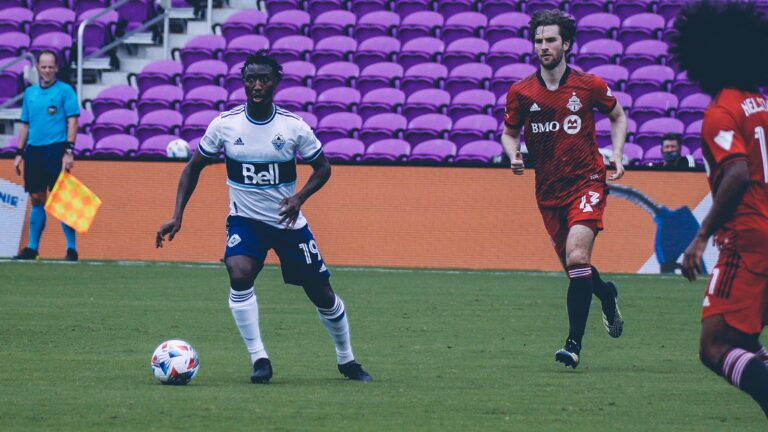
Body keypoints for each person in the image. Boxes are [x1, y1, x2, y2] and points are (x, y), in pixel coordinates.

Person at [155, 51, 372, 383]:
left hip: (287, 224)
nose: (257, 85)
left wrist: (299, 197)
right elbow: (193, 167)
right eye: (251, 78)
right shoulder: (225, 126)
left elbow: (323, 168)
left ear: (276, 82)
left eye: (264, 78)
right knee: (238, 272)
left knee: (322, 294)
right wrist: (177, 215)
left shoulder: (293, 126)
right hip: (246, 221)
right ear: (243, 82)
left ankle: (347, 360)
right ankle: (260, 360)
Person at [501, 9, 629, 368]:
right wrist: (513, 155)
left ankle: (572, 345)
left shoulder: (589, 85)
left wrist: (617, 155)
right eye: (539, 40)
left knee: (577, 257)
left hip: (587, 181)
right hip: (548, 191)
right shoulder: (521, 92)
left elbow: (618, 116)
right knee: (577, 268)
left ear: (566, 43)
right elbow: (509, 133)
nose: (543, 46)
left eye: (551, 40)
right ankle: (606, 294)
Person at [674, 1, 768, 418]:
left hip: (747, 241)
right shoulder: (760, 105)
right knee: (746, 343)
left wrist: (700, 236)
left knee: (714, 347)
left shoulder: (721, 112)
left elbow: (736, 174)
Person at [12, 50, 80, 261]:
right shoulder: (30, 93)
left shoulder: (65, 91)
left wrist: (69, 150)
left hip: (56, 149)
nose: (47, 70)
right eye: (44, 66)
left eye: (51, 66)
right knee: (36, 197)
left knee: (62, 199)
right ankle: (32, 248)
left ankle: (71, 249)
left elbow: (72, 122)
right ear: (38, 68)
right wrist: (19, 152)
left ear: (56, 68)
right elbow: (24, 124)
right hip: (34, 150)